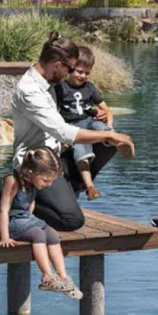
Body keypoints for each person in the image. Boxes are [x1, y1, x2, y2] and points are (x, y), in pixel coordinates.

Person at [11, 36, 134, 232]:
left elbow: (66, 113)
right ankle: (19, 202)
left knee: (107, 146)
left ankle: (70, 189)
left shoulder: (48, 82)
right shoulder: (30, 91)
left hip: (59, 155)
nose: (70, 74)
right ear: (57, 65)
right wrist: (109, 135)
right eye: (70, 69)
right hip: (37, 164)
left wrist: (94, 113)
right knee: (72, 221)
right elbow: (63, 131)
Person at [0, 148, 84, 299]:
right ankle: (47, 277)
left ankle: (62, 277)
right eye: (46, 180)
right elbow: (3, 210)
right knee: (38, 234)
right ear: (30, 172)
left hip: (24, 218)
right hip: (8, 221)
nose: (47, 185)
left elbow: (30, 204)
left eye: (50, 181)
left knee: (52, 234)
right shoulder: (12, 180)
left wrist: (32, 219)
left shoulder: (33, 182)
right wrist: (5, 237)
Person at [57, 45, 114, 200]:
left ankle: (113, 141)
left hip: (88, 122)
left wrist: (108, 125)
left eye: (87, 73)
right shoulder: (61, 88)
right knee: (81, 152)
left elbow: (107, 110)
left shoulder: (89, 88)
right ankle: (90, 186)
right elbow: (54, 113)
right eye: (79, 71)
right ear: (70, 69)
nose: (82, 76)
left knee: (104, 129)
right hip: (73, 128)